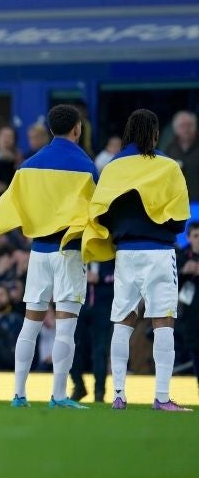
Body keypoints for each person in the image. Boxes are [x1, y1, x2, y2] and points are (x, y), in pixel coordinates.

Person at [0, 104, 98, 409]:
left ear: (51, 129)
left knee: (31, 323)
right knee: (66, 326)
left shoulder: (28, 165)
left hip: (39, 252)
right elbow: (97, 213)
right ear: (77, 129)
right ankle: (58, 396)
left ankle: (19, 394)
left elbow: (6, 207)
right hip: (69, 252)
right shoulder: (87, 166)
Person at [82, 108, 192, 411]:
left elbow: (99, 211)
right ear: (155, 133)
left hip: (126, 253)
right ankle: (161, 397)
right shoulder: (169, 167)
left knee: (123, 321)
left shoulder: (113, 168)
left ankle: (118, 394)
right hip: (160, 251)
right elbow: (181, 219)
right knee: (163, 323)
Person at [69, 260, 115, 403]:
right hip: (78, 304)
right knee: (69, 345)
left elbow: (120, 275)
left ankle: (99, 392)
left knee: (100, 351)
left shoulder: (109, 251)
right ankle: (79, 385)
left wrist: (101, 276)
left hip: (103, 306)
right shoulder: (78, 252)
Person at [176, 222, 199, 387]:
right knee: (196, 355)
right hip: (191, 316)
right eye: (196, 236)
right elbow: (170, 283)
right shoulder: (181, 255)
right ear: (188, 238)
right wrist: (184, 272)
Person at [164, 110, 199, 201]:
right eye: (182, 126)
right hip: (178, 203)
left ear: (195, 126)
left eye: (189, 125)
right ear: (175, 129)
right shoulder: (169, 150)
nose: (186, 129)